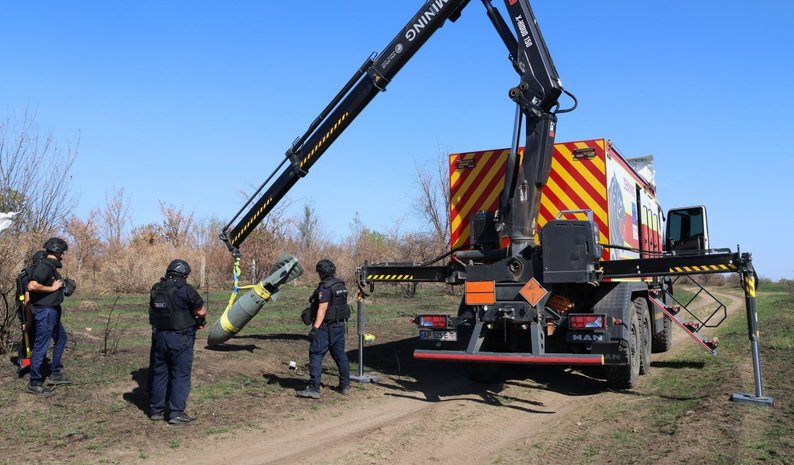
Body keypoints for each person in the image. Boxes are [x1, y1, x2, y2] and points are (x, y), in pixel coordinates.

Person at [147, 259, 206, 425]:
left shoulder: (156, 288)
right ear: (184, 274)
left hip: (159, 337)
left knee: (159, 373)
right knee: (180, 375)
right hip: (181, 338)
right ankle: (175, 413)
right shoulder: (185, 289)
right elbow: (201, 311)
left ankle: (156, 410)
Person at [297, 259, 351, 399]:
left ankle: (314, 389)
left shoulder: (325, 287)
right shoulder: (340, 285)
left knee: (315, 354)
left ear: (322, 272)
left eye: (319, 272)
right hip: (340, 326)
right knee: (340, 356)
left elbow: (322, 308)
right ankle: (345, 386)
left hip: (326, 326)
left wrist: (314, 329)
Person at [26, 238, 74, 395]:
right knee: (41, 346)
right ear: (57, 251)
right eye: (62, 253)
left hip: (52, 311)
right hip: (45, 312)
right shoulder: (45, 265)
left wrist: (62, 287)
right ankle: (34, 382)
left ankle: (55, 373)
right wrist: (52, 287)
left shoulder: (51, 267)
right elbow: (32, 286)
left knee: (61, 339)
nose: (63, 256)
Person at [16, 250, 48, 376]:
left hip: (38, 308)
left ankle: (37, 361)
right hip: (27, 309)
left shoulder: (37, 273)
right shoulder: (26, 275)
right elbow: (25, 297)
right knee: (29, 335)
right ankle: (24, 362)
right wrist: (27, 320)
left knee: (37, 336)